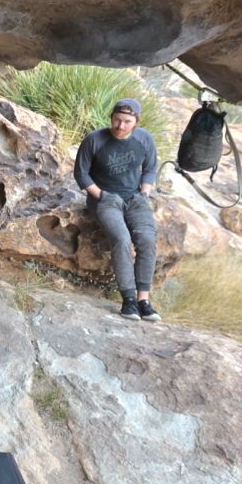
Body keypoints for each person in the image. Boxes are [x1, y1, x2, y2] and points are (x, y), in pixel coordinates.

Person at [73, 97, 162, 321]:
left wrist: (145, 192)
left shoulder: (144, 138)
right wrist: (101, 195)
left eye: (127, 122)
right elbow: (81, 173)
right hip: (105, 199)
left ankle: (144, 300)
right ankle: (128, 299)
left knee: (147, 240)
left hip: (135, 198)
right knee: (121, 239)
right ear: (111, 117)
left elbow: (150, 167)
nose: (120, 126)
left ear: (136, 122)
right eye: (117, 119)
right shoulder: (95, 140)